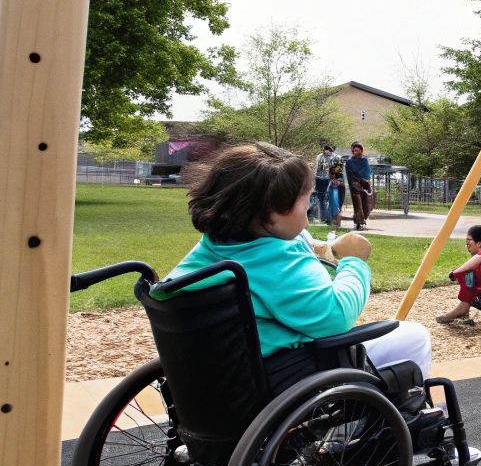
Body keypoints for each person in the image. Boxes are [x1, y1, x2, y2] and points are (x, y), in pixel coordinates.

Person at [167, 142, 434, 390]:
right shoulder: (277, 258)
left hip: (224, 383)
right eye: (304, 207)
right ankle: (407, 417)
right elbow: (336, 316)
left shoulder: (212, 250)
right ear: (272, 215)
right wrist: (354, 263)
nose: (306, 221)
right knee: (414, 336)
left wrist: (315, 246)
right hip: (289, 375)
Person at [345, 141, 374, 230]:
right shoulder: (349, 161)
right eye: (354, 151)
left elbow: (367, 171)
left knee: (366, 203)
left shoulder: (365, 160)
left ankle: (360, 218)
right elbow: (349, 174)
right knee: (357, 202)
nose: (355, 152)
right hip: (355, 184)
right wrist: (356, 180)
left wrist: (367, 180)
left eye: (357, 150)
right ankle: (360, 221)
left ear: (361, 151)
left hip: (365, 184)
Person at [311, 142, 339, 222]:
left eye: (328, 150)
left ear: (331, 150)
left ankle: (329, 217)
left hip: (330, 180)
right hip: (319, 179)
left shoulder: (336, 157)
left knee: (329, 198)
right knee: (320, 198)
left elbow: (338, 170)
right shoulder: (319, 157)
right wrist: (314, 178)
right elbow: (315, 168)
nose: (327, 151)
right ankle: (321, 217)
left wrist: (336, 179)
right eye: (325, 150)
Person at [325, 162, 346, 227]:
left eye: (333, 173)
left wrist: (338, 183)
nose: (331, 175)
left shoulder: (338, 180)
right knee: (332, 209)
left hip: (336, 197)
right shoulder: (330, 180)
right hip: (333, 197)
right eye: (330, 173)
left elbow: (341, 184)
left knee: (337, 209)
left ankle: (337, 223)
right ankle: (333, 222)